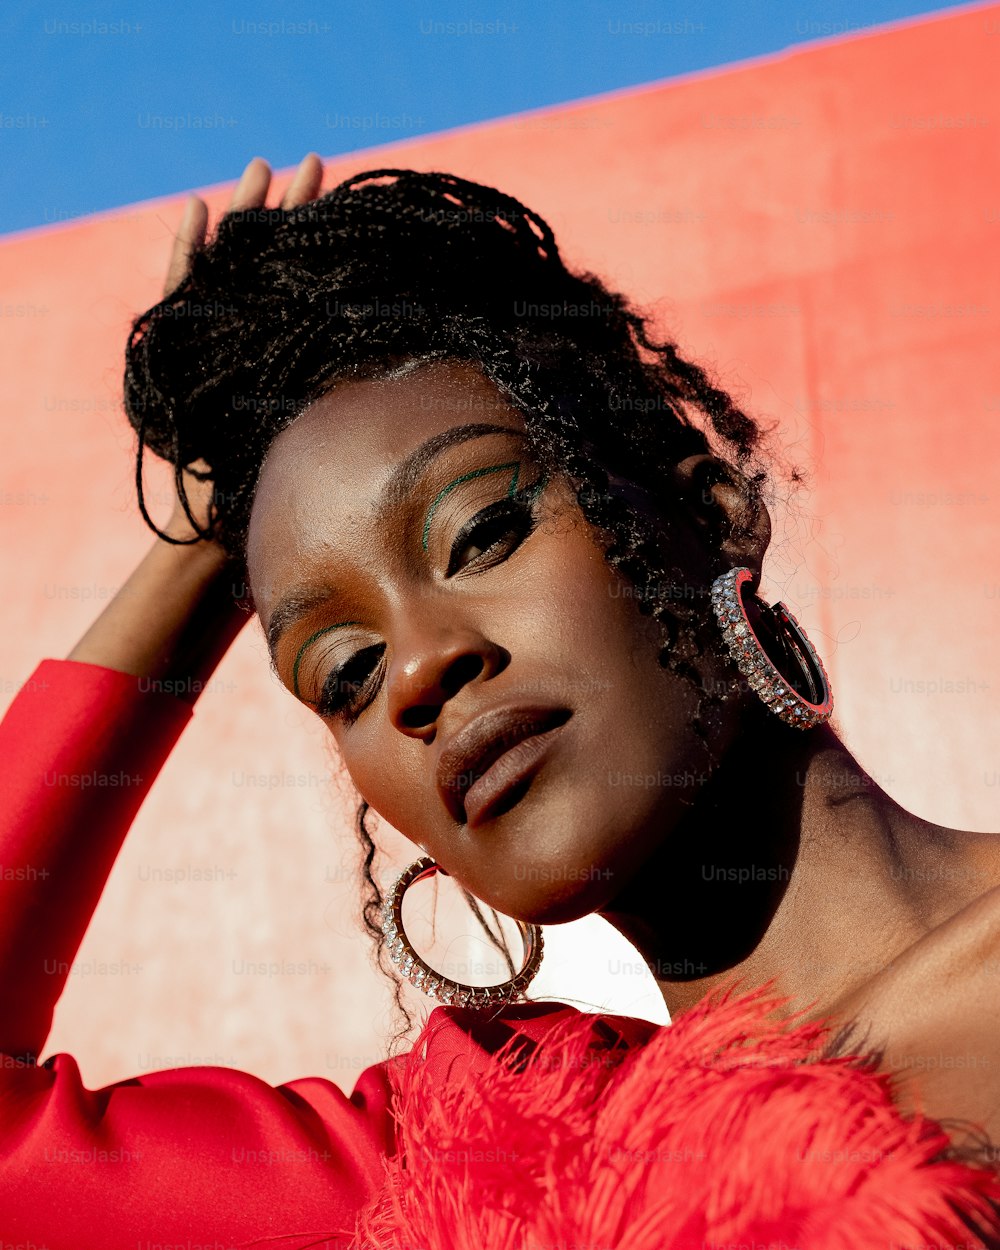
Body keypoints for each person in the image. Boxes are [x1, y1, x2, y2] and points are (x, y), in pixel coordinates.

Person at [2, 153, 1000, 1249]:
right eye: (345, 672)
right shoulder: (480, 1165)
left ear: (709, 514)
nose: (420, 672)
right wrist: (198, 551)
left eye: (481, 534)